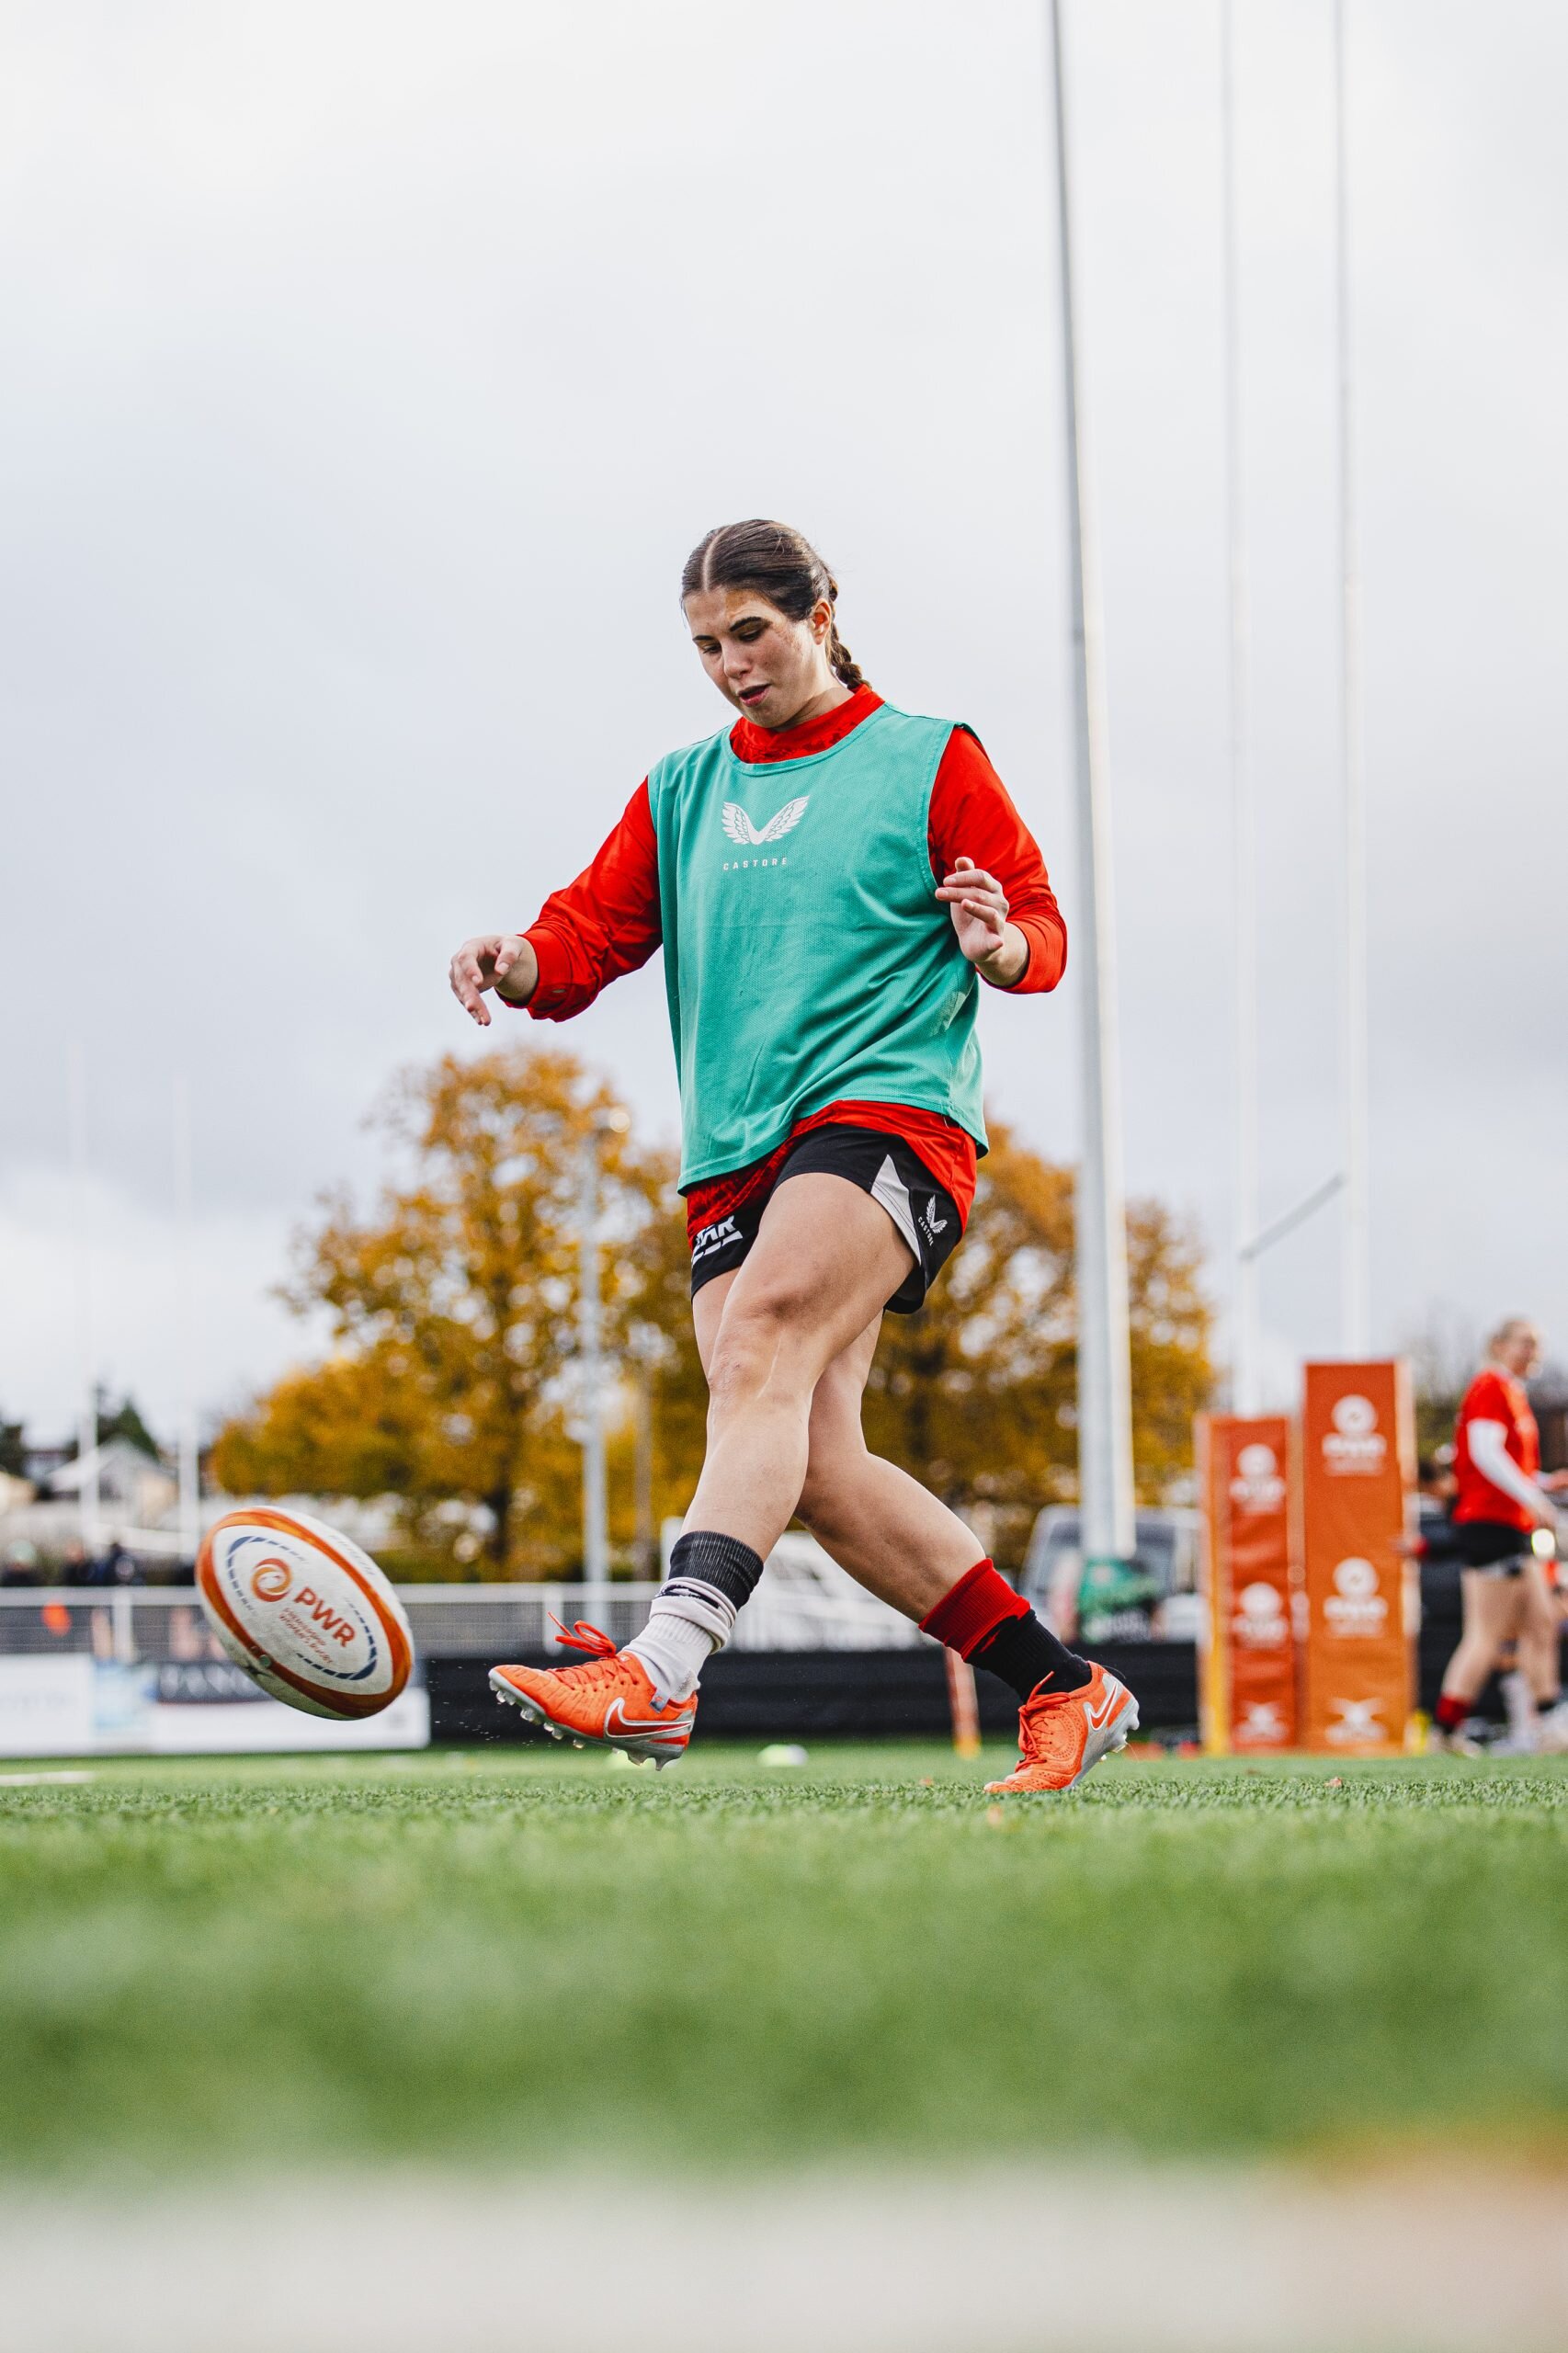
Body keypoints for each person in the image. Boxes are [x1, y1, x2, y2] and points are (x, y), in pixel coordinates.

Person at [448, 518, 1139, 1793]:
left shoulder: (930, 759)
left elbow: (1035, 929)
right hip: (732, 1153)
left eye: (750, 634)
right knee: (810, 1462)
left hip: (888, 1112)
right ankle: (1063, 1685)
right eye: (705, 645)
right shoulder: (682, 786)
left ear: (818, 615)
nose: (728, 665)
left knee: (760, 1338)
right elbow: (588, 937)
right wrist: (518, 961)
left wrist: (995, 949)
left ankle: (657, 1672)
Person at [1432, 1318, 1568, 1756]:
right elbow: (1484, 1453)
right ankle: (1445, 1730)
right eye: (1526, 1343)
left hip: (1510, 1525)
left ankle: (1548, 1723)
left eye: (1538, 1345)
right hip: (1491, 1527)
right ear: (1499, 1344)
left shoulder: (1511, 1392)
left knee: (1541, 1623)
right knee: (1485, 1635)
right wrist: (1534, 1498)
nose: (1534, 1352)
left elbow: (1502, 1465)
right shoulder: (1491, 1385)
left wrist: (1542, 1484)